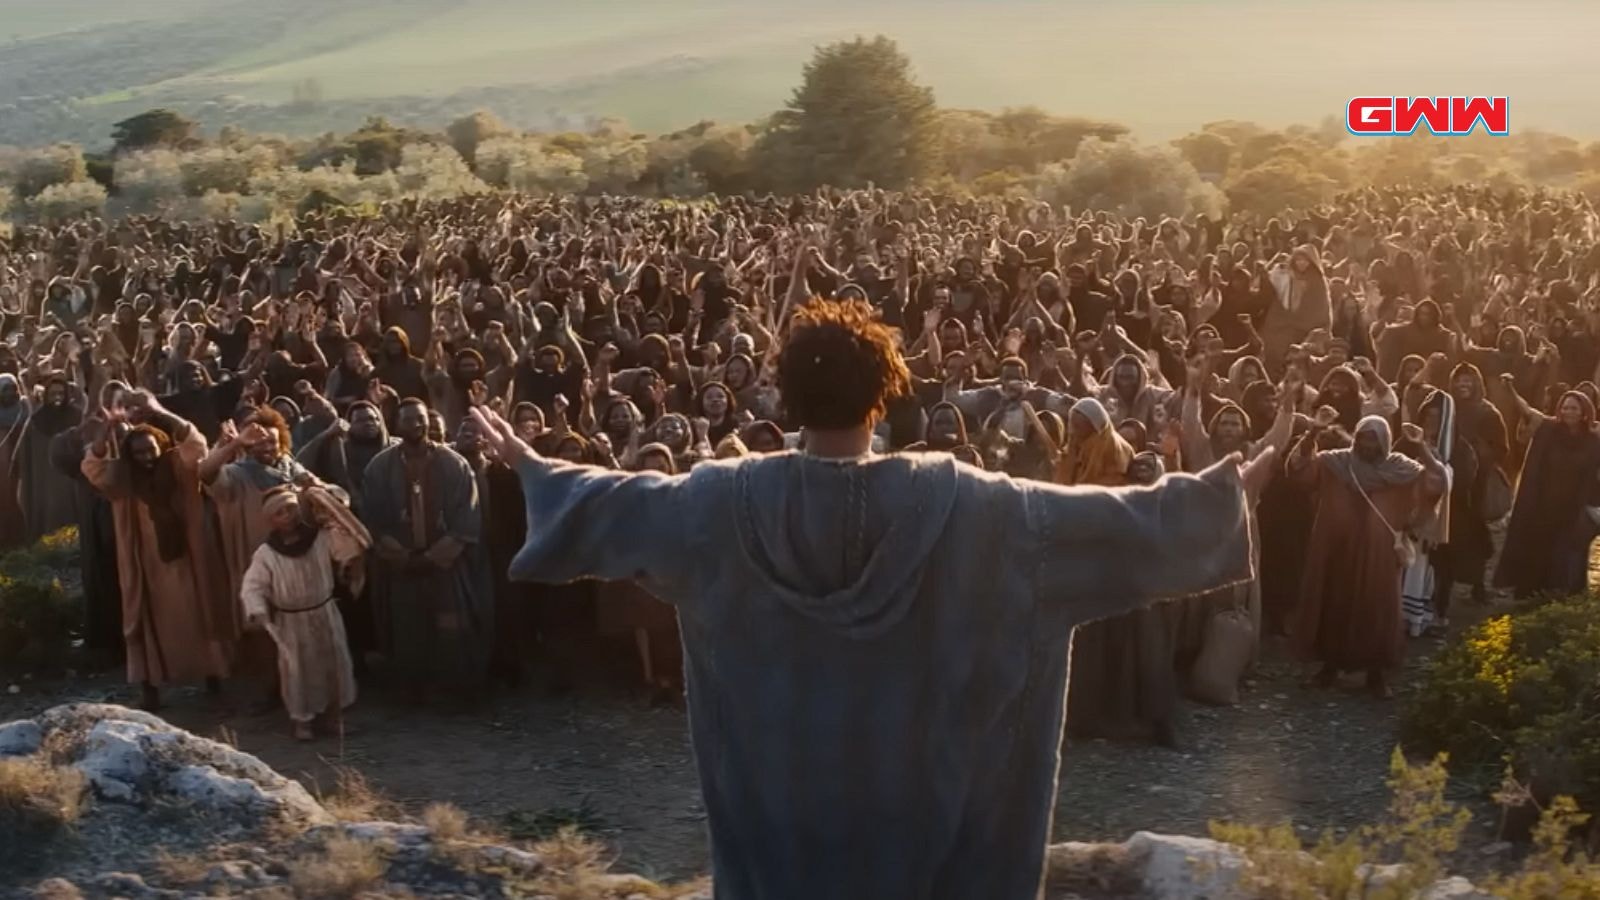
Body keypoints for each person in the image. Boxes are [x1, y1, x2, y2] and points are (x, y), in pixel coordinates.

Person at [474, 299, 1271, 900]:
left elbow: (612, 502)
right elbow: (1121, 525)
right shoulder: (983, 512)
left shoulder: (715, 504)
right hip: (926, 817)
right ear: (885, 394)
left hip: (784, 823)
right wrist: (1227, 493)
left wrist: (531, 466)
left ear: (783, 396)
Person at [81, 390, 232, 711]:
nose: (146, 458)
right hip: (145, 565)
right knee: (147, 622)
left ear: (161, 447)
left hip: (186, 559)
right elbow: (93, 468)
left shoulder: (178, 468)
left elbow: (196, 443)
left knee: (197, 612)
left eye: (150, 451)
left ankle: (212, 678)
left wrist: (157, 410)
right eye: (138, 454)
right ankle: (150, 688)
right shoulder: (123, 480)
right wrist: (105, 431)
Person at [1289, 413, 1448, 698]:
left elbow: (1435, 482)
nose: (1367, 444)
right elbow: (1300, 470)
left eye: (1374, 439)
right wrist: (1311, 434)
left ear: (1385, 441)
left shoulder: (1401, 468)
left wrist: (1422, 446)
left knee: (1377, 609)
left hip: (1379, 553)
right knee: (1334, 605)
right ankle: (1330, 668)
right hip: (1337, 550)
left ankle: (1376, 674)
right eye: (1363, 437)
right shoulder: (1336, 462)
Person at [361, 398, 494, 700]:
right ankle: (411, 691)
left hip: (446, 566)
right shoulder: (380, 467)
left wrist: (434, 557)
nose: (416, 424)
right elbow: (374, 520)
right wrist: (403, 557)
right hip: (401, 566)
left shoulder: (454, 464)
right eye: (408, 419)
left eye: (420, 418)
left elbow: (467, 519)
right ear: (397, 424)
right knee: (407, 629)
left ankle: (452, 692)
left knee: (451, 628)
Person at [240, 486, 367, 741]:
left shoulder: (320, 538)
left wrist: (331, 513)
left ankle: (334, 717)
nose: (287, 515)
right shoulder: (266, 553)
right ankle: (302, 720)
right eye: (280, 512)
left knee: (335, 666)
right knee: (297, 671)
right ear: (271, 520)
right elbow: (253, 586)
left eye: (291, 508)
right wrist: (258, 610)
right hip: (291, 620)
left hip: (324, 612)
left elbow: (351, 547)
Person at [1495, 389, 1600, 598]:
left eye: (1574, 408)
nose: (1568, 412)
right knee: (1539, 550)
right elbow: (1528, 413)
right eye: (1565, 407)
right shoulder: (1549, 431)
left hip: (1573, 507)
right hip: (1543, 504)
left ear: (1584, 412)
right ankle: (1532, 593)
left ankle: (1562, 596)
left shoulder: (1593, 440)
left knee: (1566, 555)